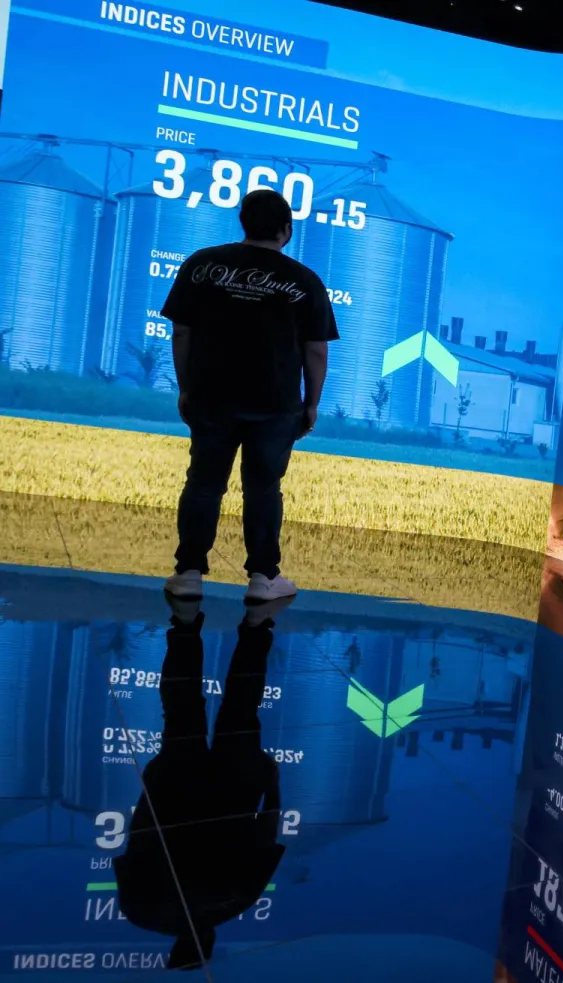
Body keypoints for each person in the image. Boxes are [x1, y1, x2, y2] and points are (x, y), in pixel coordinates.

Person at [161, 189, 338, 603]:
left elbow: (182, 332)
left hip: (210, 397)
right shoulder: (305, 280)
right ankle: (263, 579)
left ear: (242, 221)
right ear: (287, 230)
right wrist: (311, 403)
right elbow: (316, 349)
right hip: (275, 404)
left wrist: (186, 386)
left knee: (204, 484)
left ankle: (188, 573)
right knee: (263, 489)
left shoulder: (201, 265)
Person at [115, 593, 290, 969]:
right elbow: (138, 839)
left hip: (234, 789)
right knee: (181, 710)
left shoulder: (237, 902)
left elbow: (267, 834)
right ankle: (184, 623)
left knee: (242, 707)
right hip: (176, 788)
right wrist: (150, 784)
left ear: (208, 942)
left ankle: (257, 625)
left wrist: (272, 783)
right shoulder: (138, 910)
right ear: (173, 949)